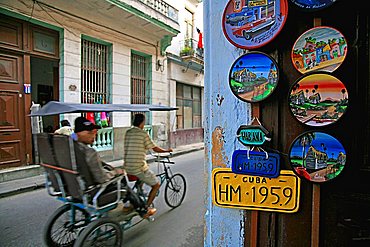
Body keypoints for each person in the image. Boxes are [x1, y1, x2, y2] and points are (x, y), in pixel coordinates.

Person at [123, 113, 173, 218]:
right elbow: (154, 148)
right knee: (156, 185)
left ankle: (135, 198)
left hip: (127, 167)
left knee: (144, 172)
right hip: (138, 168)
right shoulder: (143, 134)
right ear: (142, 123)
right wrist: (166, 150)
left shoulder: (128, 132)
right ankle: (145, 209)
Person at [74, 116, 123, 184]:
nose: (94, 136)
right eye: (91, 132)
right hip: (96, 189)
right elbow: (102, 178)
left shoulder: (73, 148)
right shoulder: (89, 152)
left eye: (95, 133)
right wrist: (115, 172)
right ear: (80, 134)